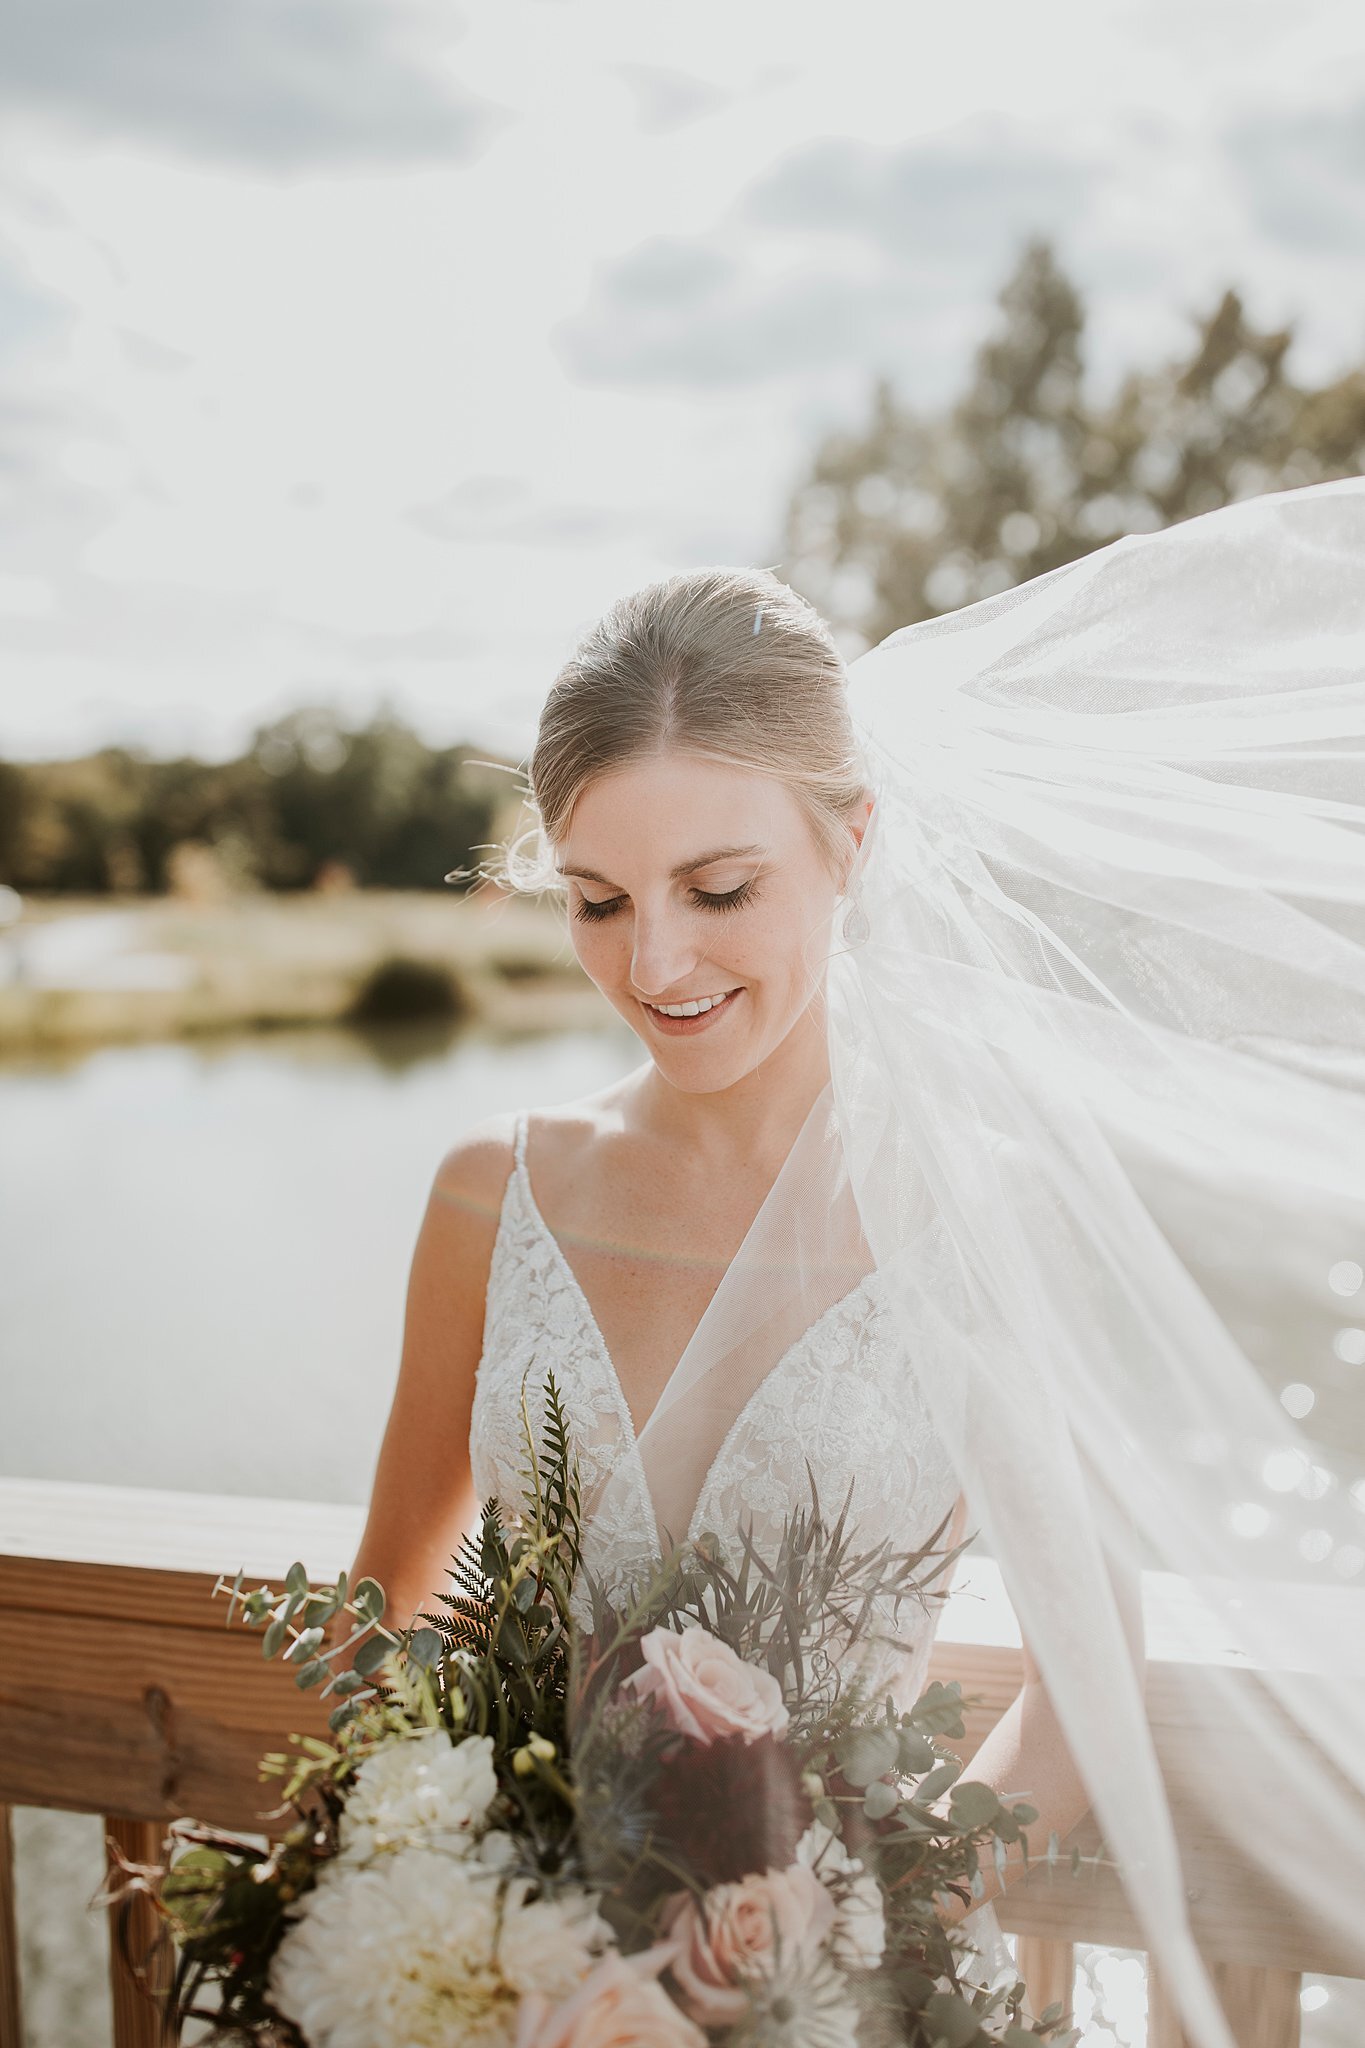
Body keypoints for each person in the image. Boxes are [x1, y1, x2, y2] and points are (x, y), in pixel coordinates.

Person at [341, 479, 1365, 2048]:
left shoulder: (978, 1215)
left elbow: (1084, 1682)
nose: (656, 963)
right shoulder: (489, 1196)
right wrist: (457, 1914)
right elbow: (383, 1623)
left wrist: (831, 1961)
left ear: (851, 842)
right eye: (599, 902)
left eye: (719, 889)